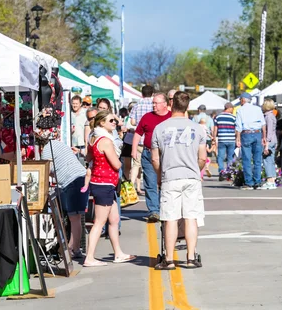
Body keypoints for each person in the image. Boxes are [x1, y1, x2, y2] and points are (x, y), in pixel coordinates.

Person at [151, 91, 207, 270]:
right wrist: (194, 169)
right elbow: (202, 157)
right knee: (191, 217)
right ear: (187, 107)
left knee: (171, 218)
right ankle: (191, 257)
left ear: (171, 104)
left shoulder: (160, 128)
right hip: (191, 176)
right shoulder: (197, 128)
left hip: (170, 176)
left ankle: (169, 259)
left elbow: (155, 159)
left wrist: (160, 175)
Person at [83, 110, 136, 266]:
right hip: (104, 182)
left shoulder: (94, 138)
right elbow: (116, 164)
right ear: (102, 123)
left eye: (115, 120)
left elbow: (88, 157)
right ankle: (90, 257)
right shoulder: (105, 141)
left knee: (114, 219)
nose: (115, 122)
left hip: (103, 182)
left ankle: (118, 253)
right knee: (99, 222)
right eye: (111, 120)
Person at [34, 121, 89, 260]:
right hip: (77, 179)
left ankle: (71, 249)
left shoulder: (47, 149)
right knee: (75, 217)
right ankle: (74, 248)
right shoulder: (58, 144)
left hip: (73, 180)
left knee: (74, 217)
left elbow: (47, 170)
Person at [132, 92, 171, 222]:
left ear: (165, 104)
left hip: (166, 155)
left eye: (156, 103)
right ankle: (154, 211)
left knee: (166, 183)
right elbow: (138, 133)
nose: (153, 105)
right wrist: (134, 150)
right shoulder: (147, 117)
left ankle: (164, 209)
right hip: (148, 154)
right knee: (150, 183)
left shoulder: (171, 118)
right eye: (153, 103)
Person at [235, 92, 266, 190]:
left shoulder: (240, 110)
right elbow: (263, 124)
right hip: (257, 133)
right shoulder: (258, 109)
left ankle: (249, 183)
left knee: (247, 159)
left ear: (243, 100)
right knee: (257, 159)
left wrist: (238, 139)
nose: (240, 101)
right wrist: (264, 137)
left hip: (246, 134)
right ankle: (257, 181)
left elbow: (238, 126)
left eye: (240, 99)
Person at [213, 102, 236, 177]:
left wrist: (214, 138)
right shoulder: (233, 117)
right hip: (231, 139)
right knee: (230, 157)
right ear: (229, 108)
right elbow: (236, 129)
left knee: (220, 156)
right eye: (232, 108)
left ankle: (221, 171)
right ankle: (229, 171)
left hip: (222, 139)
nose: (233, 110)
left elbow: (215, 129)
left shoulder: (218, 117)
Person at [261, 99, 278, 190]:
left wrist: (266, 145)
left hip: (269, 141)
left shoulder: (268, 117)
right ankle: (272, 179)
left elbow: (269, 132)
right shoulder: (271, 115)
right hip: (272, 140)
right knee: (270, 160)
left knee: (267, 161)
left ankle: (270, 180)